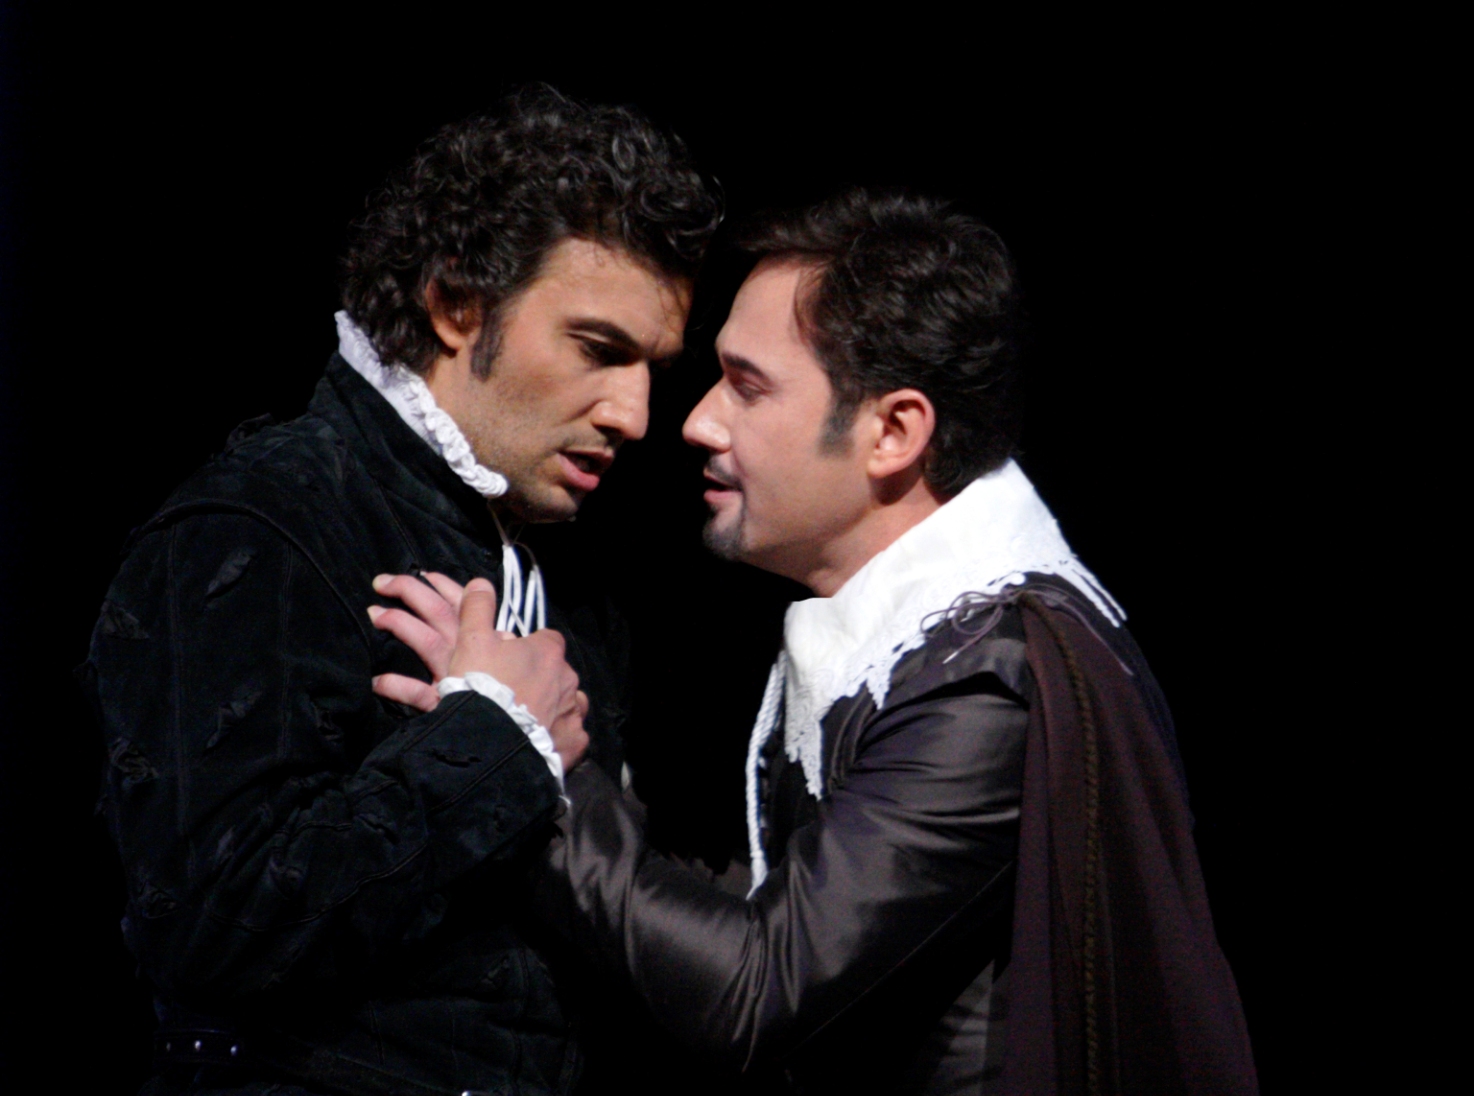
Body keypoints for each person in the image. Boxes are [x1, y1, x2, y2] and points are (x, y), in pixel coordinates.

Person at [374, 189, 1259, 1094]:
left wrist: (525, 758)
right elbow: (774, 912)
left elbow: (757, 989)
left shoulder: (988, 676)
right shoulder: (924, 642)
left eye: (749, 387)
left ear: (895, 432)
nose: (697, 421)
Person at [79, 86, 720, 1096]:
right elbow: (206, 928)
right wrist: (494, 738)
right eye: (598, 351)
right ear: (457, 304)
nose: (635, 413)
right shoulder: (260, 522)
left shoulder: (574, 572)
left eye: (653, 367)